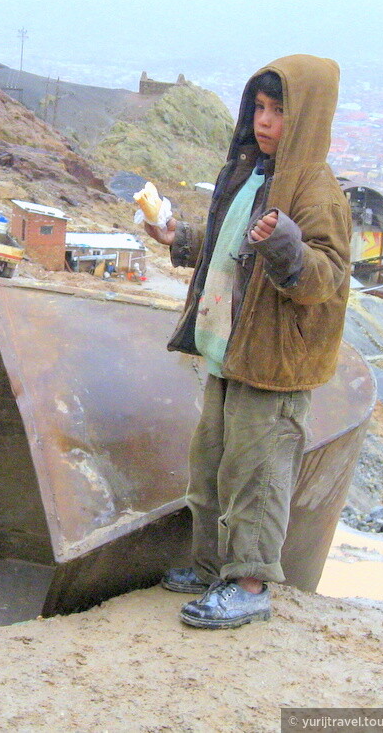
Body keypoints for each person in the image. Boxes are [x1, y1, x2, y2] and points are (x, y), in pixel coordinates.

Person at [141, 55, 351, 629]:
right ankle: (212, 567)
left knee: (257, 475)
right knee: (210, 465)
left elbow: (328, 276)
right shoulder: (256, 173)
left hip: (275, 362)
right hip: (234, 347)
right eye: (259, 108)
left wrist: (287, 246)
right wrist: (177, 236)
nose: (264, 121)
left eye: (280, 111)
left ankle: (250, 583)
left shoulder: (316, 190)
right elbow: (231, 240)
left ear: (307, 117)